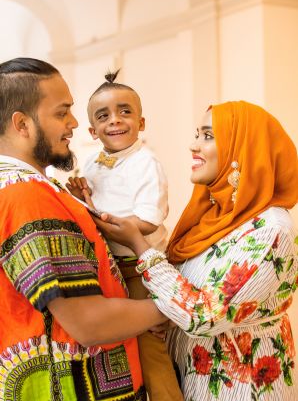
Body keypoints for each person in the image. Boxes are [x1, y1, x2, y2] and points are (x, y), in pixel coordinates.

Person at [92, 101, 298, 401]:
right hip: (192, 383)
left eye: (208, 136)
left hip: (242, 391)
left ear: (242, 149)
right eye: (197, 134)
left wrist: (139, 244)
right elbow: (182, 295)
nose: (193, 145)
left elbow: (202, 315)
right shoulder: (211, 218)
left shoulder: (270, 230)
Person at [0, 57, 170, 401]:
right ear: (22, 124)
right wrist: (169, 308)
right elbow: (88, 322)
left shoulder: (26, 185)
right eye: (62, 112)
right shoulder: (27, 195)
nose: (75, 123)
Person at [66, 70, 183, 401]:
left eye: (125, 112)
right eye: (104, 116)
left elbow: (145, 221)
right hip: (107, 263)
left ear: (141, 122)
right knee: (113, 346)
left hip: (138, 267)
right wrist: (82, 199)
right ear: (92, 130)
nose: (115, 121)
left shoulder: (146, 163)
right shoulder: (91, 163)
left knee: (150, 348)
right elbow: (93, 213)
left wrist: (98, 219)